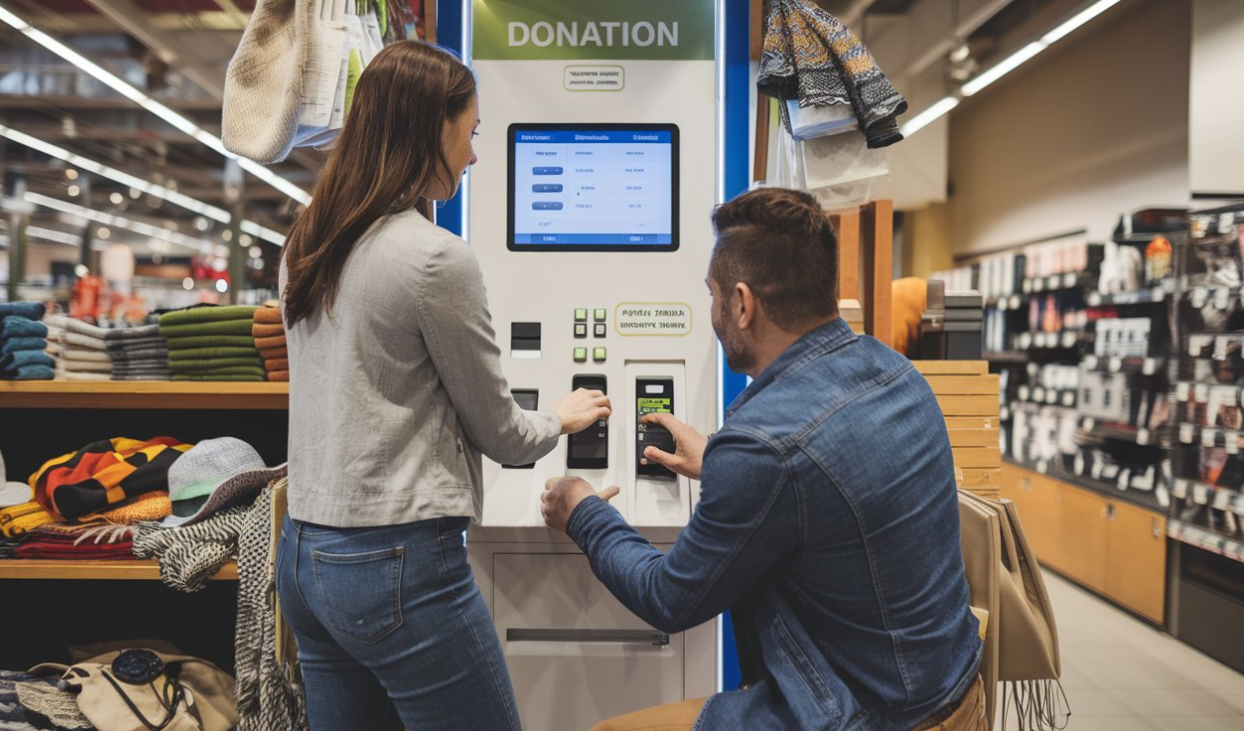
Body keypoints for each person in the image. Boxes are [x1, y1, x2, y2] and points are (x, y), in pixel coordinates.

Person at [542, 187, 985, 730]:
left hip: (875, 715)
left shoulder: (763, 447)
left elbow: (668, 599)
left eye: (712, 294)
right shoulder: (897, 373)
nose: (711, 310)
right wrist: (720, 461)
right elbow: (825, 482)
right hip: (957, 690)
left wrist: (582, 508)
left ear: (743, 304)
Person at [276, 41, 611, 731]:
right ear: (433, 127)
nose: (474, 155)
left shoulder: (307, 243)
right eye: (471, 133)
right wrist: (562, 416)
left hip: (306, 555)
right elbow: (504, 436)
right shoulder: (434, 259)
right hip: (397, 563)